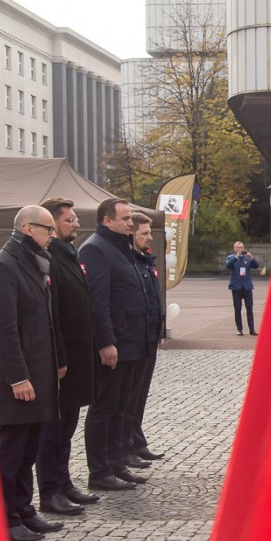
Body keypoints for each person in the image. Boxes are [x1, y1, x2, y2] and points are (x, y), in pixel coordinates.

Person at [0, 205, 64, 541]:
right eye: (48, 229)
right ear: (28, 229)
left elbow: (44, 321)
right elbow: (4, 329)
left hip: (38, 372)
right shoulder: (2, 265)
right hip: (15, 378)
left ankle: (23, 508)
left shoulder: (34, 261)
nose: (53, 235)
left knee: (29, 447)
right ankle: (3, 518)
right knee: (12, 448)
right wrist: (18, 378)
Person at [79, 198, 152, 491]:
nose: (130, 223)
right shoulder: (96, 248)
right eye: (124, 219)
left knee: (122, 407)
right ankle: (99, 471)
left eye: (130, 219)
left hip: (132, 342)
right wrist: (106, 341)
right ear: (107, 220)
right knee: (105, 408)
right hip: (116, 344)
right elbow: (98, 301)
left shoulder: (121, 246)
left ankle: (117, 463)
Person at [35, 197, 100, 517]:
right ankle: (50, 491)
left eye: (75, 219)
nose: (76, 223)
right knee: (52, 431)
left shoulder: (70, 255)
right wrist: (60, 359)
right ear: (52, 224)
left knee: (67, 427)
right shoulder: (50, 259)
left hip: (77, 359)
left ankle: (63, 483)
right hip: (62, 362)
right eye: (69, 220)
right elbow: (53, 316)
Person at [125, 212, 166, 466]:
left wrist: (158, 330)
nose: (150, 237)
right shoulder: (130, 261)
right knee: (129, 397)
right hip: (134, 339)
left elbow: (153, 299)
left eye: (150, 232)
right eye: (145, 233)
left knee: (139, 396)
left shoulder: (145, 261)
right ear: (132, 235)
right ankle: (126, 446)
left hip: (148, 338)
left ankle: (136, 441)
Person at [226, 241, 259, 336]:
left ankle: (251, 329)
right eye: (238, 247)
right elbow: (228, 266)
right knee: (237, 309)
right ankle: (239, 329)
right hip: (236, 287)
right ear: (234, 249)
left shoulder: (247, 258)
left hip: (247, 287)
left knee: (249, 308)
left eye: (241, 247)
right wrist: (236, 257)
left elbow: (256, 266)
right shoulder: (231, 258)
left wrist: (252, 258)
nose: (240, 249)